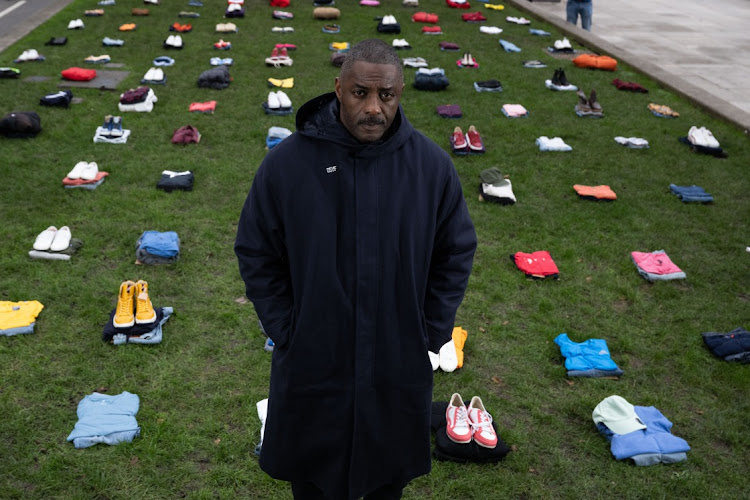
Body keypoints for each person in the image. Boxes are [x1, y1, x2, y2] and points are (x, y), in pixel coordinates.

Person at [235, 38, 476, 500]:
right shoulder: (287, 165)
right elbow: (256, 249)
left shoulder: (431, 167)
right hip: (313, 356)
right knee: (311, 478)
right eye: (360, 93)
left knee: (387, 478)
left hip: (396, 358)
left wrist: (429, 330)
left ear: (401, 92)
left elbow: (456, 250)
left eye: (386, 95)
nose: (373, 108)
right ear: (338, 89)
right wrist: (286, 327)